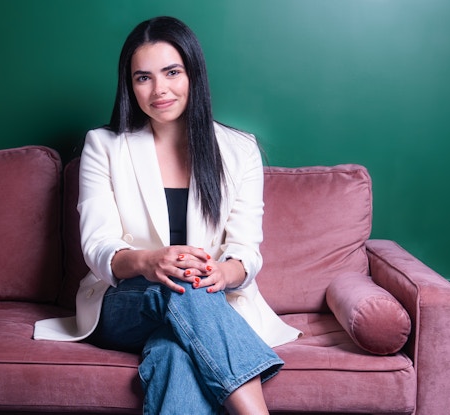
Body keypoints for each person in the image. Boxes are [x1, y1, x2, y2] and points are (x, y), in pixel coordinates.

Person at [34, 16, 301, 415]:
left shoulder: (239, 150)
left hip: (208, 305)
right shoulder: (104, 146)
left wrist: (222, 274)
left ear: (193, 74)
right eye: (143, 78)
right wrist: (149, 261)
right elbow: (97, 245)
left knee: (174, 352)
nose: (159, 89)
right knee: (180, 284)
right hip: (124, 304)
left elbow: (246, 250)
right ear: (130, 86)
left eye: (172, 72)